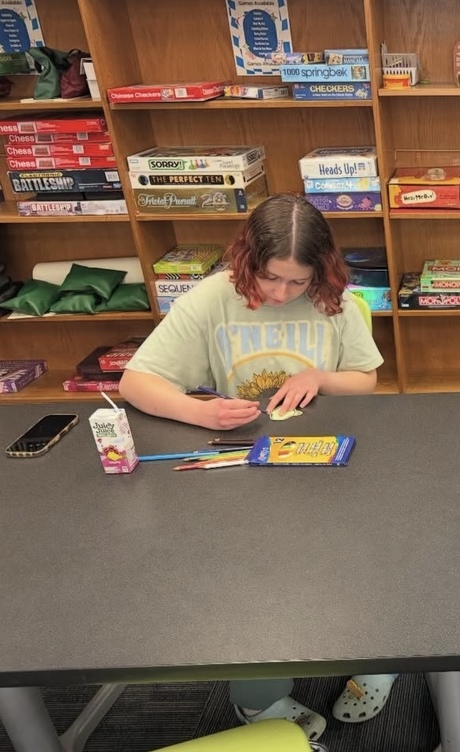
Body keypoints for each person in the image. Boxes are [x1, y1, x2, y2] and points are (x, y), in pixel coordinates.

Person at [119, 194, 399, 739]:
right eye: (271, 277)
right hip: (247, 463)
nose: (281, 293)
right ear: (248, 259)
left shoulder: (332, 299)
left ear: (320, 272)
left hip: (329, 461)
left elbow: (365, 379)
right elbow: (135, 382)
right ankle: (259, 697)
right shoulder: (212, 298)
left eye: (298, 282)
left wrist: (321, 377)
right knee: (249, 580)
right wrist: (199, 411)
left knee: (361, 556)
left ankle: (376, 657)